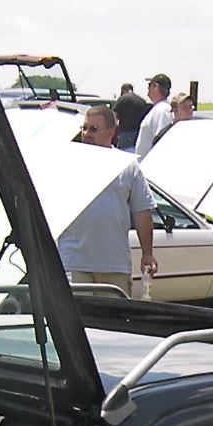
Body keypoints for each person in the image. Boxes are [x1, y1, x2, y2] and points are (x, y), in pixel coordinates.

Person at [64, 105, 157, 298]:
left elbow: (142, 211)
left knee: (114, 316)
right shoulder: (67, 162)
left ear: (111, 131)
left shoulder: (128, 166)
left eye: (93, 129)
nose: (86, 134)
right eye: (84, 128)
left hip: (114, 264)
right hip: (73, 261)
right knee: (75, 317)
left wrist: (147, 253)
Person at [134, 73, 174, 157]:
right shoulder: (158, 108)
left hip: (151, 163)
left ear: (156, 87)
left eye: (150, 85)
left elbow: (161, 141)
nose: (148, 88)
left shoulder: (162, 110)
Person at [112, 82, 150, 146]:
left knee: (125, 150)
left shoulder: (123, 98)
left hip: (125, 132)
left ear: (123, 90)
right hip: (138, 132)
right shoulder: (141, 100)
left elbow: (114, 114)